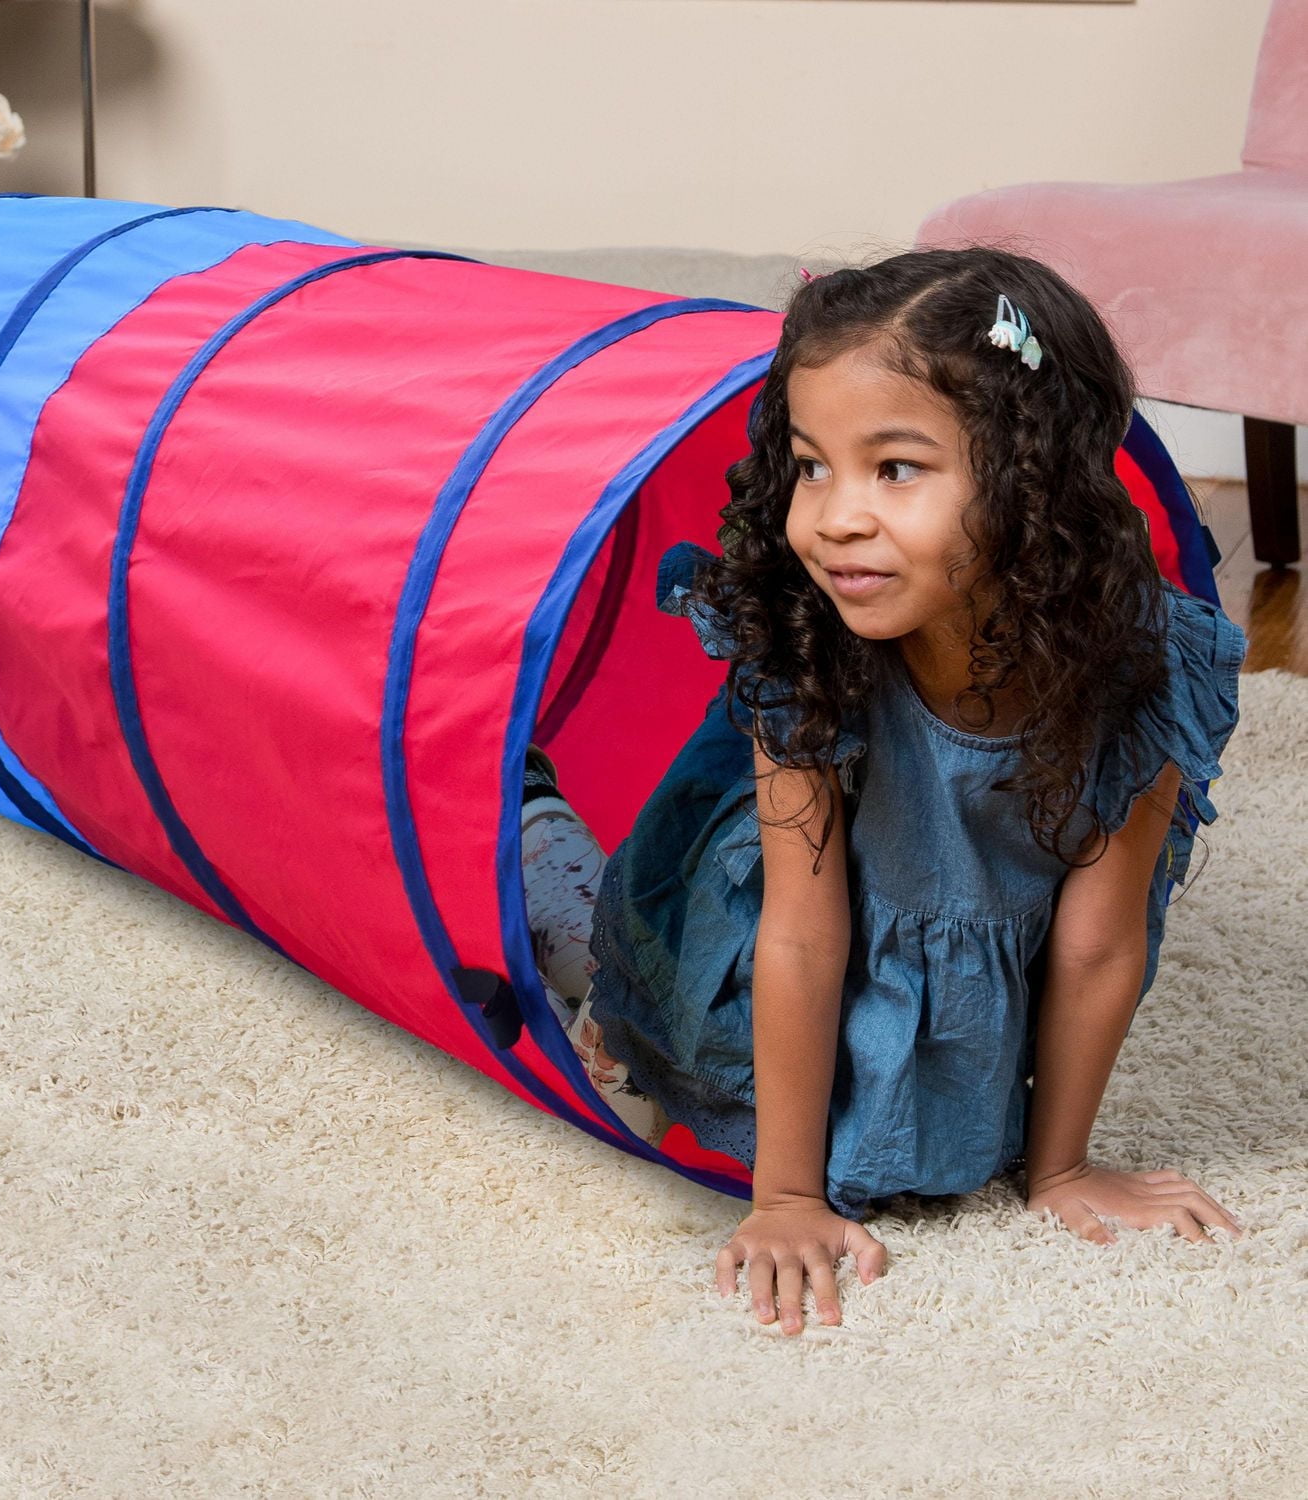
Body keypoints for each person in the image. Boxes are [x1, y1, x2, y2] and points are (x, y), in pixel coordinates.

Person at [520, 244, 1249, 1338]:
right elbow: (801, 937)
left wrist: (1060, 1170)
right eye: (813, 467)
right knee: (605, 972)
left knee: (942, 1154)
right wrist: (787, 1198)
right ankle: (532, 822)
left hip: (952, 979)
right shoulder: (807, 647)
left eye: (894, 470)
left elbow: (1100, 943)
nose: (835, 518)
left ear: (1030, 481)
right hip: (759, 940)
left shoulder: (1143, 664)